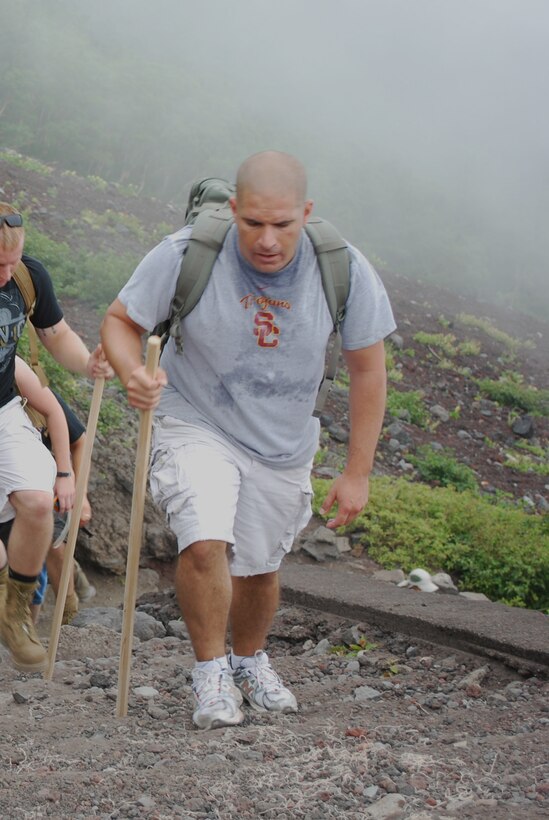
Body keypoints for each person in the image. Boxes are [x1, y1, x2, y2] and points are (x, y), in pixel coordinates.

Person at [101, 150, 396, 730]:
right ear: (232, 209)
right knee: (205, 540)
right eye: (253, 222)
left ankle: (248, 660)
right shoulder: (188, 252)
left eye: (282, 224)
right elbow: (121, 320)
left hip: (282, 442)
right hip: (197, 419)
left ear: (306, 214)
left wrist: (357, 470)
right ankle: (210, 673)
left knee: (259, 568)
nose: (267, 239)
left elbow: (368, 369)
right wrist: (133, 370)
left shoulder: (343, 266)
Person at [0, 203, 112, 671]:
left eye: (13, 261)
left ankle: (16, 615)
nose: (6, 273)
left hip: (4, 410)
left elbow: (56, 332)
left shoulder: (26, 278)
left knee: (40, 503)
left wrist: (88, 363)